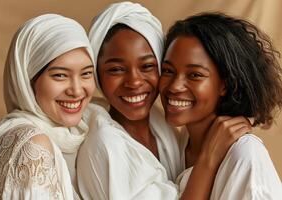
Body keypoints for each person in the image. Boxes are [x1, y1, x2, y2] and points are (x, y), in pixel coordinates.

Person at [77, 2, 251, 199]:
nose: (134, 82)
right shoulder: (106, 144)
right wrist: (208, 160)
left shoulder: (162, 124)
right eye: (116, 69)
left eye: (147, 66)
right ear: (97, 75)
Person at [0, 13, 99, 199]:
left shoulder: (80, 130)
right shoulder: (33, 144)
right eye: (60, 75)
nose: (77, 91)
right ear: (27, 81)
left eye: (86, 74)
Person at [159, 12, 282, 199]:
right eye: (168, 71)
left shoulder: (245, 155)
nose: (174, 86)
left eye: (195, 75)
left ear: (225, 84)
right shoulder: (181, 144)